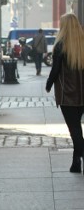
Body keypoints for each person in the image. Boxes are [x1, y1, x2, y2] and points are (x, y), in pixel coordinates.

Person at [45, 13, 84, 174]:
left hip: (67, 93)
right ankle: (76, 162)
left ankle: (78, 159)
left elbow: (56, 70)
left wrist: (48, 84)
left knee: (74, 128)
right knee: (78, 129)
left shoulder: (60, 45)